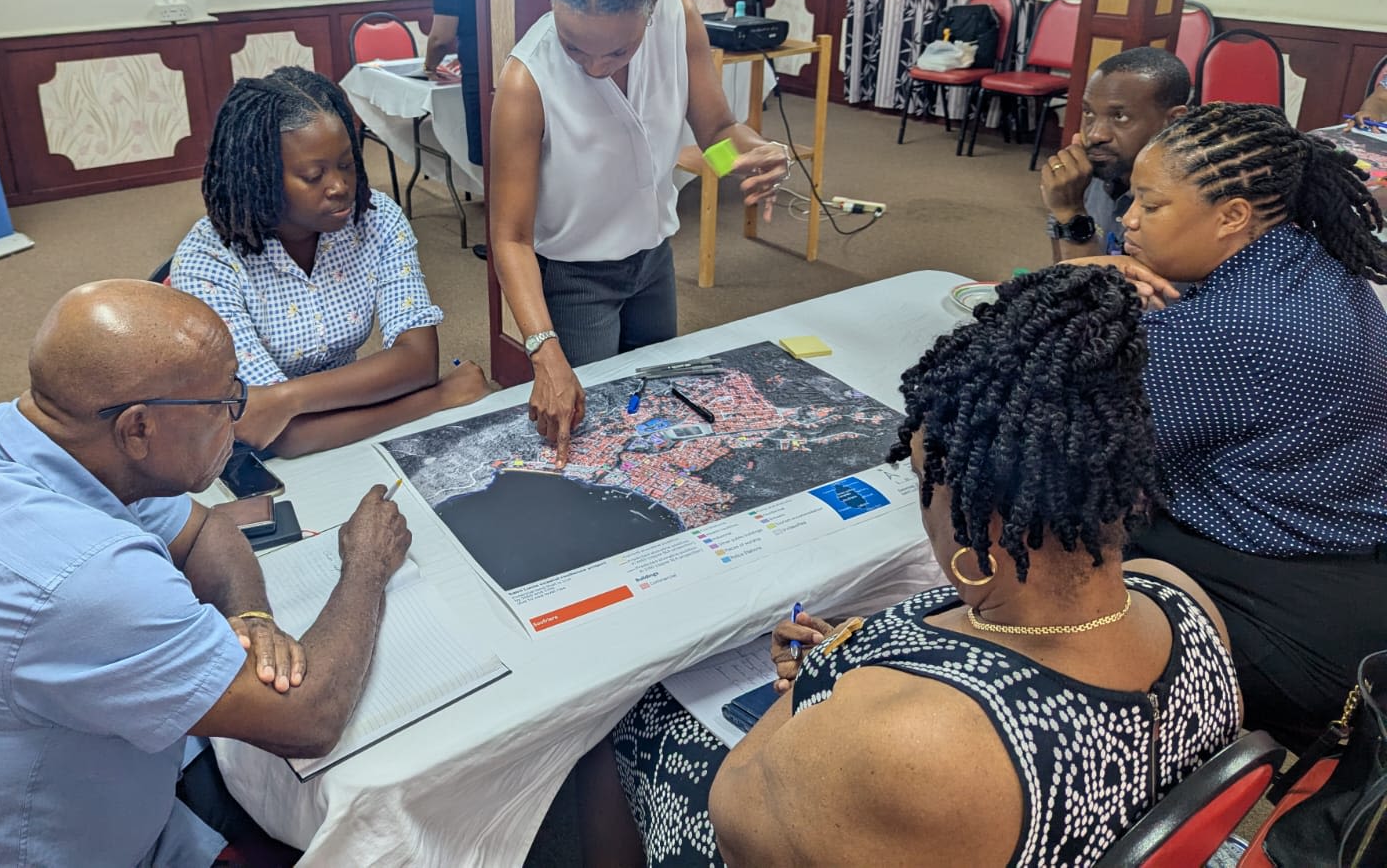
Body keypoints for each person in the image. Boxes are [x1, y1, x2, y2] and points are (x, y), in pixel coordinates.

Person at [582, 266, 1240, 868]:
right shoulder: (1184, 599)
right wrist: (875, 645)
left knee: (636, 715)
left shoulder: (910, 741)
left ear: (980, 537)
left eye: (924, 483)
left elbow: (738, 825)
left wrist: (820, 686)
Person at [0, 281, 412, 866]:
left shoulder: (15, 433)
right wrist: (364, 568)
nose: (238, 416)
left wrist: (252, 614)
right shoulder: (84, 580)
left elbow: (205, 531)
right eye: (223, 401)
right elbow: (309, 718)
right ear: (138, 429)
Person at [1075, 102, 1387, 747]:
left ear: (1234, 216)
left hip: (1293, 629)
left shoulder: (1223, 332)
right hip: (1356, 573)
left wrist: (1067, 287)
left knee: (1044, 549)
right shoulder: (1319, 264)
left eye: (1150, 207)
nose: (1128, 221)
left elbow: (1051, 425)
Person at [489, 0, 789, 462]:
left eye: (619, 50)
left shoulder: (678, 16)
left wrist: (750, 157)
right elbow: (509, 237)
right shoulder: (526, 79)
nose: (597, 67)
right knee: (587, 437)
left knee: (655, 415)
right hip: (576, 280)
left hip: (654, 262)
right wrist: (542, 348)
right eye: (575, 46)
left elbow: (715, 132)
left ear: (652, 4)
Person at [172, 67, 488, 457]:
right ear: (258, 177)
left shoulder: (376, 219)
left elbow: (419, 361)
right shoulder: (207, 261)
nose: (339, 187)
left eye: (347, 164)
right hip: (240, 459)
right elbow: (281, 437)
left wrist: (285, 398)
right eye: (313, 175)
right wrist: (437, 399)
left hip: (352, 423)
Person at [1040, 46, 1190, 260]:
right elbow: (1061, 275)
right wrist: (1063, 210)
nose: (1095, 135)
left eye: (1120, 116)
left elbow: (1108, 294)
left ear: (1174, 121)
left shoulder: (1187, 203)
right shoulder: (1089, 175)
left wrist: (1072, 214)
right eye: (1089, 113)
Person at [422, 0, 489, 260]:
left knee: (489, 153)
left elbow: (440, 36)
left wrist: (430, 65)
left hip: (477, 65)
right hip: (510, 59)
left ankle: (499, 237)